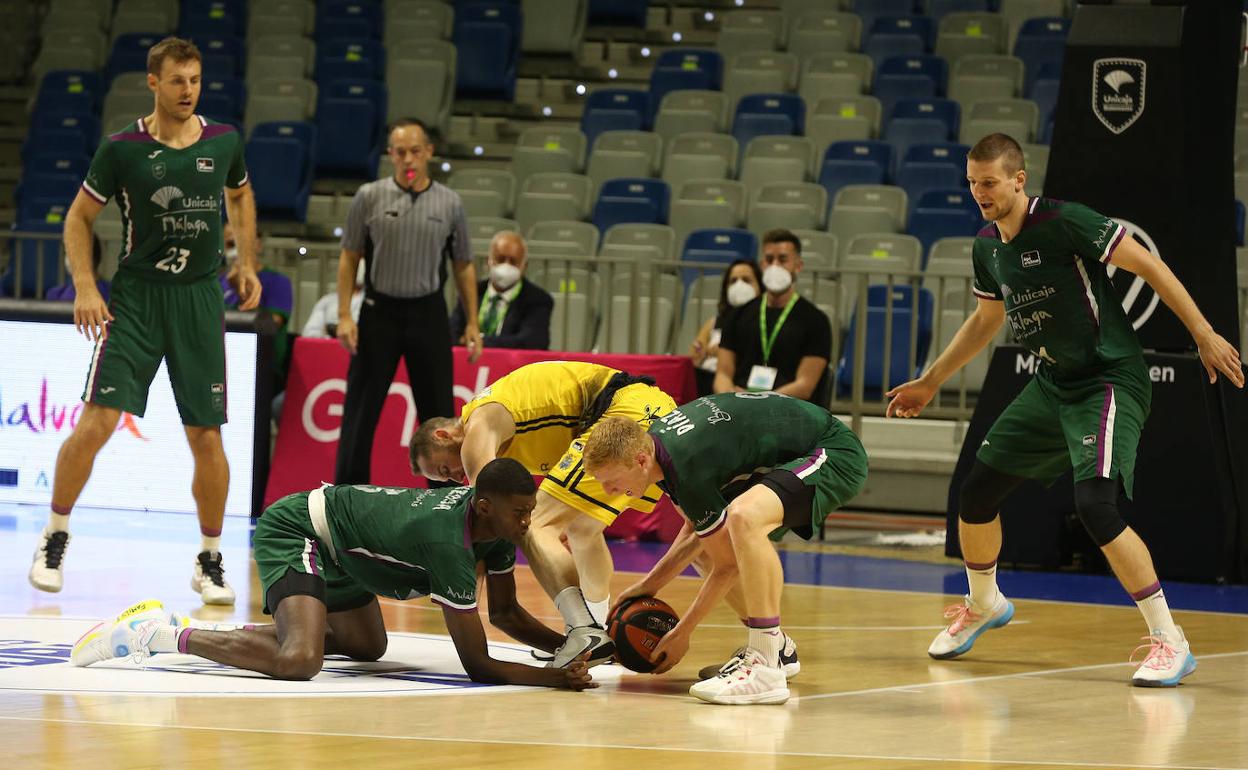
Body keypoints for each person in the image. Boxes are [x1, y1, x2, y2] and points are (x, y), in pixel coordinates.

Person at [884, 133, 1245, 687]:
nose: (979, 192)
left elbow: (1150, 266)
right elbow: (986, 321)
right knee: (976, 493)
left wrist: (1203, 333)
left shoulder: (1064, 221)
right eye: (972, 182)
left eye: (989, 182)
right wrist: (931, 381)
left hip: (1107, 378)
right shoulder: (987, 246)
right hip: (1052, 383)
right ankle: (984, 604)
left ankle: (1171, 641)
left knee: (1096, 506)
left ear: (1018, 179)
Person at [28, 37, 261, 605]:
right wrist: (86, 286)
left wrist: (246, 261)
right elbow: (78, 219)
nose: (189, 91)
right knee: (97, 423)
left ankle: (209, 560)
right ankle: (54, 535)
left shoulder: (225, 140)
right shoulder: (122, 148)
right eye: (178, 80)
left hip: (200, 301)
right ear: (153, 83)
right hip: (137, 300)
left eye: (196, 80)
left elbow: (242, 196)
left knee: (206, 434)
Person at [70, 458, 596, 691]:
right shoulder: (448, 545)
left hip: (345, 552)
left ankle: (265, 629)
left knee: (367, 647)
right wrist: (554, 679)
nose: (527, 524)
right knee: (300, 660)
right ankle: (157, 634)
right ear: (483, 506)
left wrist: (575, 645)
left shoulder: (497, 532)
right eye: (519, 514)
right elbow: (477, 665)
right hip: (301, 528)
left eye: (530, 512)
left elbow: (505, 612)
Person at [582, 392, 868, 704]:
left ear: (639, 460)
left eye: (611, 481)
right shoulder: (657, 451)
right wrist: (647, 586)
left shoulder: (685, 464)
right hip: (792, 453)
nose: (609, 491)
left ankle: (764, 665)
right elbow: (696, 532)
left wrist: (682, 633)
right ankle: (778, 650)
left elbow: (729, 566)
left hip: (834, 452)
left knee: (744, 518)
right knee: (713, 542)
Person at [410, 360, 677, 667]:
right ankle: (600, 628)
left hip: (623, 414)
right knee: (584, 529)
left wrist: (461, 595)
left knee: (533, 523)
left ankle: (584, 632)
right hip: (652, 409)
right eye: (445, 479)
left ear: (444, 435)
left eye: (445, 468)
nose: (456, 477)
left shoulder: (477, 428)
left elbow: (488, 516)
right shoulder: (503, 423)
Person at [333, 118, 482, 486]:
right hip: (377, 313)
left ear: (429, 152)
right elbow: (349, 256)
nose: (408, 159)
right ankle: (347, 496)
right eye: (400, 152)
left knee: (439, 418)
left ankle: (443, 499)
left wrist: (472, 322)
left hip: (427, 314)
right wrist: (344, 316)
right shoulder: (369, 196)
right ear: (390, 155)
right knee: (360, 412)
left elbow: (463, 264)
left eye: (415, 150)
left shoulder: (450, 202)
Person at [715, 228, 832, 402]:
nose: (775, 266)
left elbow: (805, 385)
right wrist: (733, 398)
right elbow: (723, 374)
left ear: (798, 266)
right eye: (769, 260)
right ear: (762, 265)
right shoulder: (737, 315)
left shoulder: (815, 321)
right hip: (740, 408)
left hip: (790, 410)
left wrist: (760, 401)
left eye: (783, 259)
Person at [449, 230, 553, 350]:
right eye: (500, 259)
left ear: (524, 266)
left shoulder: (538, 299)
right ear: (489, 260)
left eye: (513, 261)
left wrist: (479, 340)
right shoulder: (472, 292)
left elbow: (532, 341)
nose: (506, 265)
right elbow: (452, 335)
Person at [219, 222, 292, 391]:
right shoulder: (216, 283)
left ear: (257, 245)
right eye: (231, 244)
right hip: (219, 365)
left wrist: (242, 291)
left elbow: (269, 326)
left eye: (243, 243)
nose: (237, 250)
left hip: (260, 368)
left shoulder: (277, 282)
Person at [689, 259, 762, 396]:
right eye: (733, 281)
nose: (739, 285)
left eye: (746, 280)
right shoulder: (713, 322)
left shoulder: (766, 322)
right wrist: (701, 353)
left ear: (760, 286)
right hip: (711, 388)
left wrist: (724, 351)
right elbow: (695, 354)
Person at [302, 260, 364, 339]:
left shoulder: (367, 302)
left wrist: (332, 329)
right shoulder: (326, 301)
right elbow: (309, 332)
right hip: (326, 348)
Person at [46, 235, 109, 303]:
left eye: (75, 253)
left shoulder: (112, 294)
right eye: (67, 253)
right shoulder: (56, 295)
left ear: (92, 258)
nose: (70, 259)